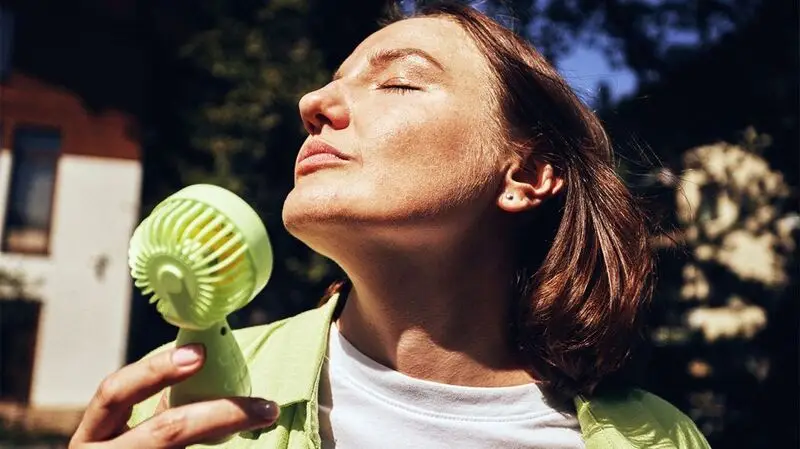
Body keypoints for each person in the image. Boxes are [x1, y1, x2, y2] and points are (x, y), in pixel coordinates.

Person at [69, 3, 711, 449]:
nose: (312, 103)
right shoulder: (173, 391)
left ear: (526, 174)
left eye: (400, 83)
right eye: (330, 83)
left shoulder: (660, 439)